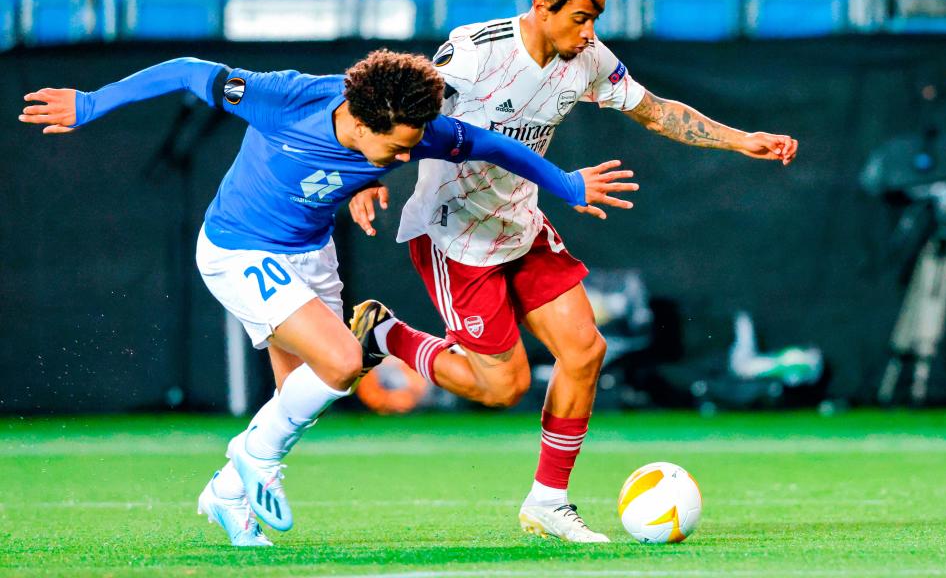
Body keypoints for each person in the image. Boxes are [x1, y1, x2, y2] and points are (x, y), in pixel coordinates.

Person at [19, 50, 638, 546]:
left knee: (298, 397)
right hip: (239, 249)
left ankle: (230, 495)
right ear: (358, 119)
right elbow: (187, 71)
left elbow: (493, 146)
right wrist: (92, 102)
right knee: (342, 363)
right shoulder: (284, 97)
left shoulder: (414, 131)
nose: (406, 156)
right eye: (395, 147)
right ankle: (250, 456)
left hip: (311, 257)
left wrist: (567, 183)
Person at [346, 0, 799, 543]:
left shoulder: (588, 59)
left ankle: (548, 501)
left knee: (585, 352)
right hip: (455, 236)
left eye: (596, 19)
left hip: (522, 226)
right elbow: (396, 113)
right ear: (541, 7)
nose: (590, 33)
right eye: (580, 18)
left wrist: (743, 141)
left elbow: (658, 112)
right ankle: (385, 334)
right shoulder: (474, 53)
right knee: (501, 387)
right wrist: (363, 178)